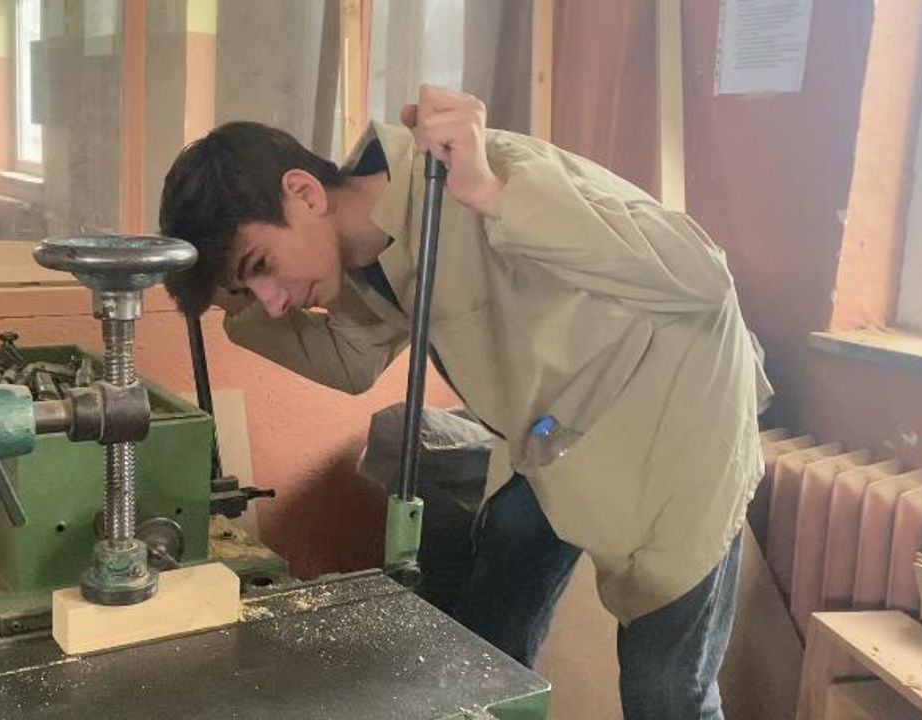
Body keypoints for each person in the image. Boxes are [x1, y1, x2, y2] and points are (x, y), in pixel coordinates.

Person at [159, 86, 771, 719]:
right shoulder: (365, 252)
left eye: (260, 265)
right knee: (488, 641)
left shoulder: (481, 171)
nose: (272, 302)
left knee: (664, 687)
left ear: (304, 193)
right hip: (554, 433)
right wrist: (226, 301)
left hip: (674, 421)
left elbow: (701, 274)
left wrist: (496, 196)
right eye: (247, 289)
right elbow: (351, 362)